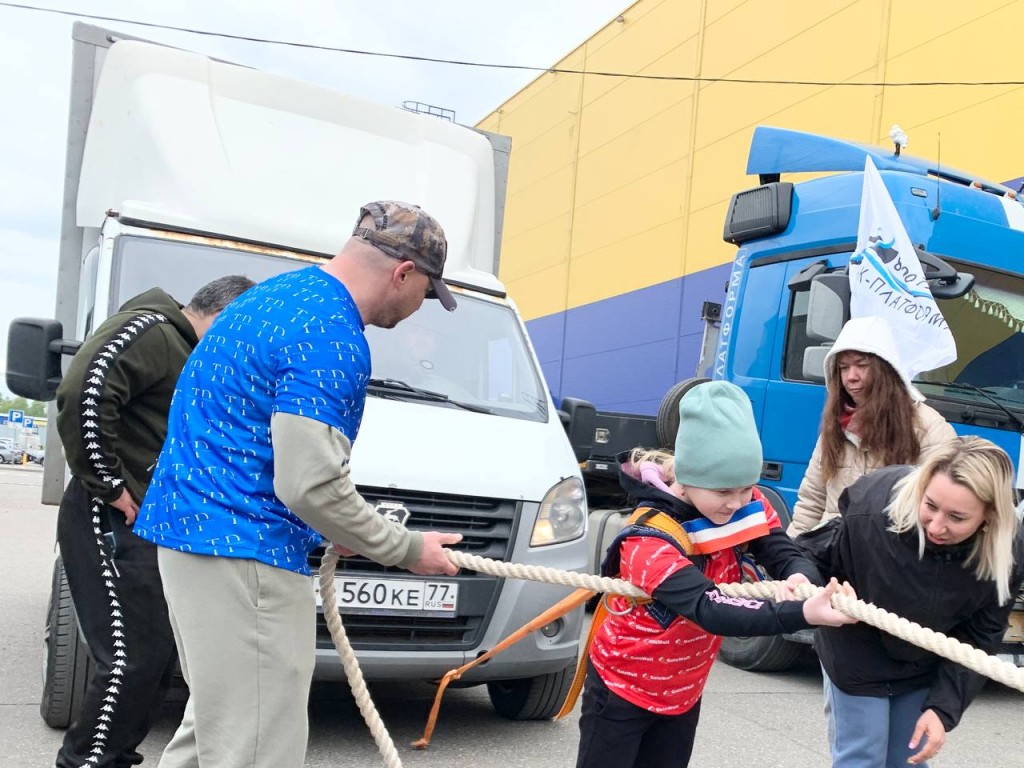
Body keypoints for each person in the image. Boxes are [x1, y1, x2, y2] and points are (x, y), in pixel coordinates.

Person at [132, 201, 465, 768]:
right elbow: (309, 484)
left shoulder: (269, 299)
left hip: (193, 540)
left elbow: (246, 439)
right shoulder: (332, 334)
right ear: (403, 272)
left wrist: (336, 526)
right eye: (428, 292)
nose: (421, 308)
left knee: (217, 732)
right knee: (257, 749)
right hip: (245, 556)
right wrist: (406, 549)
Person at [574, 381, 856, 768]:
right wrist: (801, 614)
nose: (738, 503)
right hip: (623, 688)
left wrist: (801, 579)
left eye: (748, 488)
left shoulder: (744, 504)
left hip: (683, 691)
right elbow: (710, 607)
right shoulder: (649, 537)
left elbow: (782, 549)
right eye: (725, 491)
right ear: (687, 479)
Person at [52, 274, 256, 768]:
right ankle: (89, 761)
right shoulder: (152, 331)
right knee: (129, 658)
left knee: (156, 657)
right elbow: (85, 389)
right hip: (109, 514)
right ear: (225, 316)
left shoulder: (186, 352)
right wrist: (111, 484)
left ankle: (113, 756)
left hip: (149, 523)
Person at [810, 436, 1024, 767]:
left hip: (924, 657)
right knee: (863, 754)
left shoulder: (1007, 549)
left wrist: (943, 708)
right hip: (857, 646)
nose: (937, 526)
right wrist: (804, 585)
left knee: (908, 759)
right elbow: (812, 555)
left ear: (989, 516)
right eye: (931, 506)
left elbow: (981, 635)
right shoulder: (873, 506)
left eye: (957, 517)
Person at [787, 315, 956, 537]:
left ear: (887, 369)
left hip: (890, 561)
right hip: (830, 555)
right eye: (843, 368)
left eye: (862, 365)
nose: (851, 377)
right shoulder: (836, 425)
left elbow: (942, 509)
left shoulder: (929, 428)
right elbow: (812, 502)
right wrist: (794, 558)